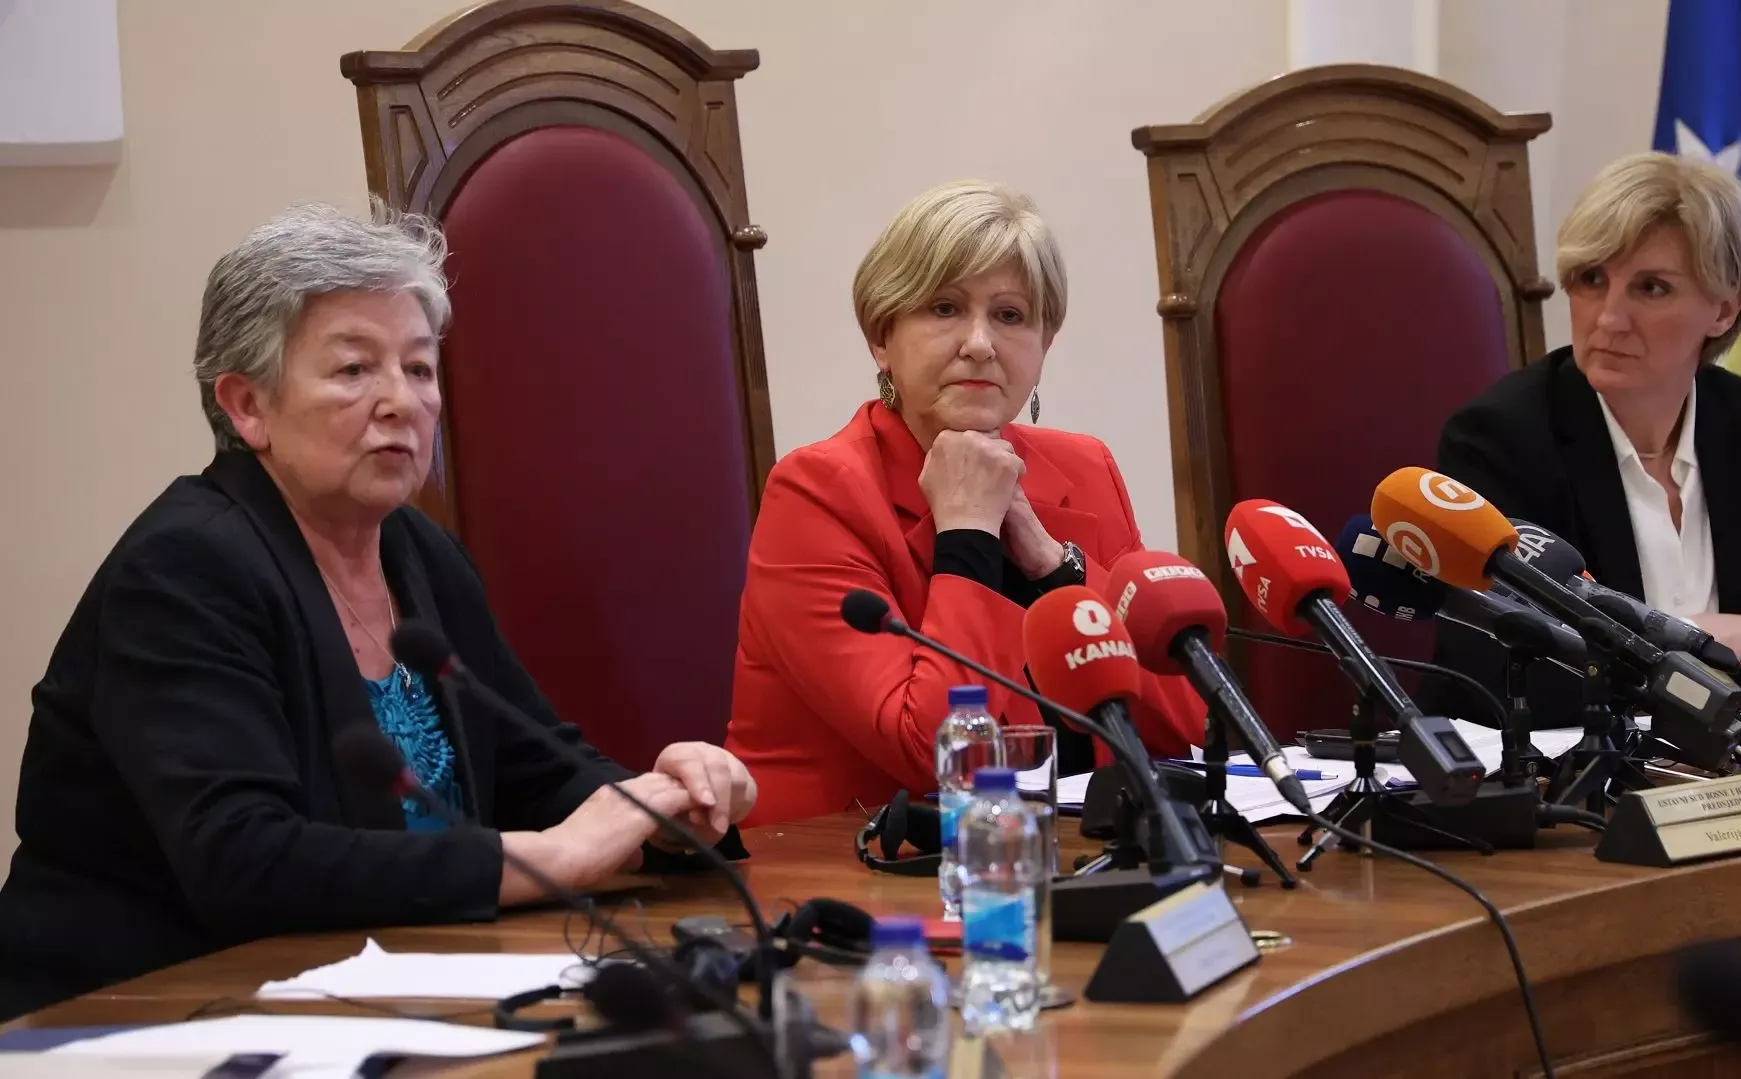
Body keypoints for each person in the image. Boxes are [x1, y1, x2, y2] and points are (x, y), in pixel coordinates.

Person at [0, 204, 757, 1020]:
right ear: (247, 405)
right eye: (355, 369)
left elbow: (534, 768)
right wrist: (547, 858)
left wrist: (661, 807)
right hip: (139, 1011)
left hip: (377, 994)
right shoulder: (184, 568)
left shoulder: (418, 551)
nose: (402, 400)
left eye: (420, 368)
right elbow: (244, 859)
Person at [726, 180, 1207, 825]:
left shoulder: (1084, 468)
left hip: (1063, 847)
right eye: (945, 308)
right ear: (882, 338)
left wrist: (1051, 566)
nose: (980, 343)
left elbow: (1182, 726)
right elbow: (932, 755)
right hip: (853, 859)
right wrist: (968, 537)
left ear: (1044, 345)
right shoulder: (817, 492)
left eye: (1010, 316)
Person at [1434, 151, 1741, 715]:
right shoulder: (1501, 439)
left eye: (1652, 288)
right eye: (1592, 280)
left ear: (1724, 310)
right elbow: (1508, 666)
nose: (1609, 319)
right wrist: (1727, 636)